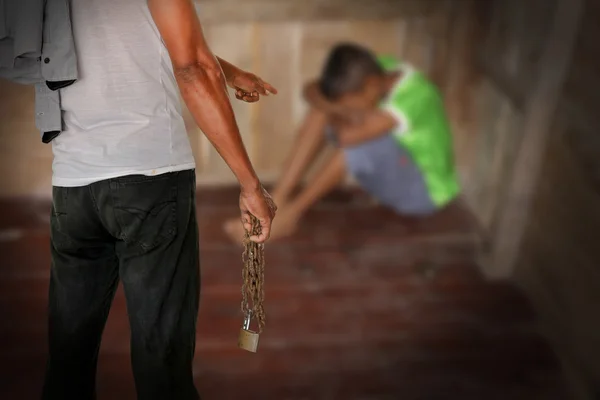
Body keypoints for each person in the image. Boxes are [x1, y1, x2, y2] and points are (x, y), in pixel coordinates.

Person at [41, 0, 276, 399]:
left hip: (73, 182)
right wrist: (250, 184)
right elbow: (192, 67)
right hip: (149, 177)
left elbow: (127, 40)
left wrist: (231, 72)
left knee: (67, 361)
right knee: (161, 361)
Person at [224, 43, 460, 241]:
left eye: (351, 103)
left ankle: (291, 216)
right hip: (385, 181)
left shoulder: (417, 96)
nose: (348, 109)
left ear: (371, 85)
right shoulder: (379, 70)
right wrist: (341, 111)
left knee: (358, 144)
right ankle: (276, 201)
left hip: (421, 194)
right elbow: (312, 90)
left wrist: (337, 113)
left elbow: (348, 137)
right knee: (321, 113)